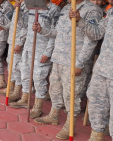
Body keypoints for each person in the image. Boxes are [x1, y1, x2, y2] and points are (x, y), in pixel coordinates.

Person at [32, 0, 103, 139]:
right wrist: (42, 30)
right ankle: (54, 115)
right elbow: (57, 32)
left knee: (72, 95)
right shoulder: (66, 9)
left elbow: (92, 40)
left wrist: (80, 63)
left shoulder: (91, 9)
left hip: (74, 61)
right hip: (59, 58)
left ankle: (70, 125)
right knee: (55, 89)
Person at [10, 0, 61, 119]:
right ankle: (25, 98)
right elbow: (24, 25)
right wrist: (19, 11)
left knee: (39, 79)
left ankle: (38, 107)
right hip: (29, 47)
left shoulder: (54, 9)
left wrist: (47, 52)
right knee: (25, 74)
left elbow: (56, 34)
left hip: (41, 50)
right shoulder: (32, 7)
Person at [71, 0, 113, 139]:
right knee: (96, 106)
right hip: (102, 70)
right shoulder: (111, 12)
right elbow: (97, 33)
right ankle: (96, 137)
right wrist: (80, 20)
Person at [0, 0, 29, 102]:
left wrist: (20, 43)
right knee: (11, 64)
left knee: (17, 66)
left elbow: (26, 27)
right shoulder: (18, 5)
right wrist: (3, 27)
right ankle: (10, 88)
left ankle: (17, 92)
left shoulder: (27, 6)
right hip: (12, 39)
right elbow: (13, 23)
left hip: (18, 41)